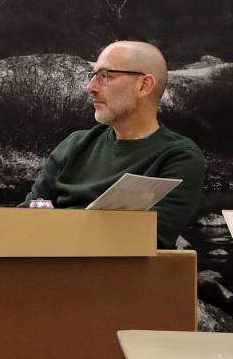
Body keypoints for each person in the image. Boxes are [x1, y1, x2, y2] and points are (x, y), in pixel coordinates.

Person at [23, 41, 205, 249]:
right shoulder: (75, 145)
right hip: (42, 270)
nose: (91, 88)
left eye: (106, 76)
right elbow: (26, 217)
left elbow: (147, 239)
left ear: (144, 85)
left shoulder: (179, 156)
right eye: (92, 76)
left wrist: (53, 219)